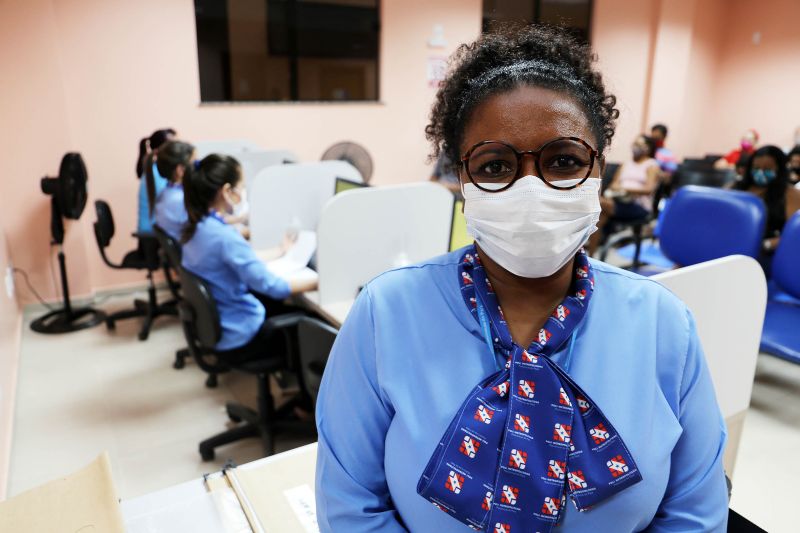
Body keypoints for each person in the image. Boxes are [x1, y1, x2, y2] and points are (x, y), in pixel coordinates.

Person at [315, 24, 728, 532]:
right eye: (495, 166)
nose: (531, 188)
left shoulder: (666, 327)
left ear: (599, 168)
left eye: (563, 161)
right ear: (462, 178)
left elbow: (694, 516)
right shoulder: (385, 315)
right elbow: (351, 509)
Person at [181, 154, 316, 361]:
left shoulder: (200, 228)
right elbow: (275, 288)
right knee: (311, 320)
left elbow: (239, 258)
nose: (242, 192)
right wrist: (320, 281)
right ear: (227, 191)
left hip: (220, 325)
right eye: (241, 186)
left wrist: (280, 250)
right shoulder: (223, 237)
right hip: (241, 335)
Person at [589, 134, 659, 254]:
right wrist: (621, 189)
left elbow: (649, 189)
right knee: (600, 216)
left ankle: (591, 252)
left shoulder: (651, 165)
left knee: (599, 204)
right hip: (619, 201)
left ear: (648, 148)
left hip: (639, 206)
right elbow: (613, 185)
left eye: (639, 144)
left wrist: (625, 189)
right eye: (635, 143)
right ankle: (591, 253)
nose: (635, 147)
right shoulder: (626, 164)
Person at [733, 145, 800, 256]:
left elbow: (794, 234)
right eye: (756, 168)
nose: (761, 172)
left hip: (768, 252)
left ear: (780, 170)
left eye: (768, 169)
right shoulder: (737, 187)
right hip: (734, 246)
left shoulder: (791, 194)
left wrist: (767, 244)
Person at [150, 140, 195, 241]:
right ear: (180, 170)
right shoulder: (179, 200)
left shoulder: (166, 194)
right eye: (194, 164)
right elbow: (203, 228)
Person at [137, 128, 176, 234]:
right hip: (152, 237)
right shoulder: (156, 174)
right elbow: (169, 204)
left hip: (158, 231)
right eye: (173, 146)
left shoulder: (158, 171)